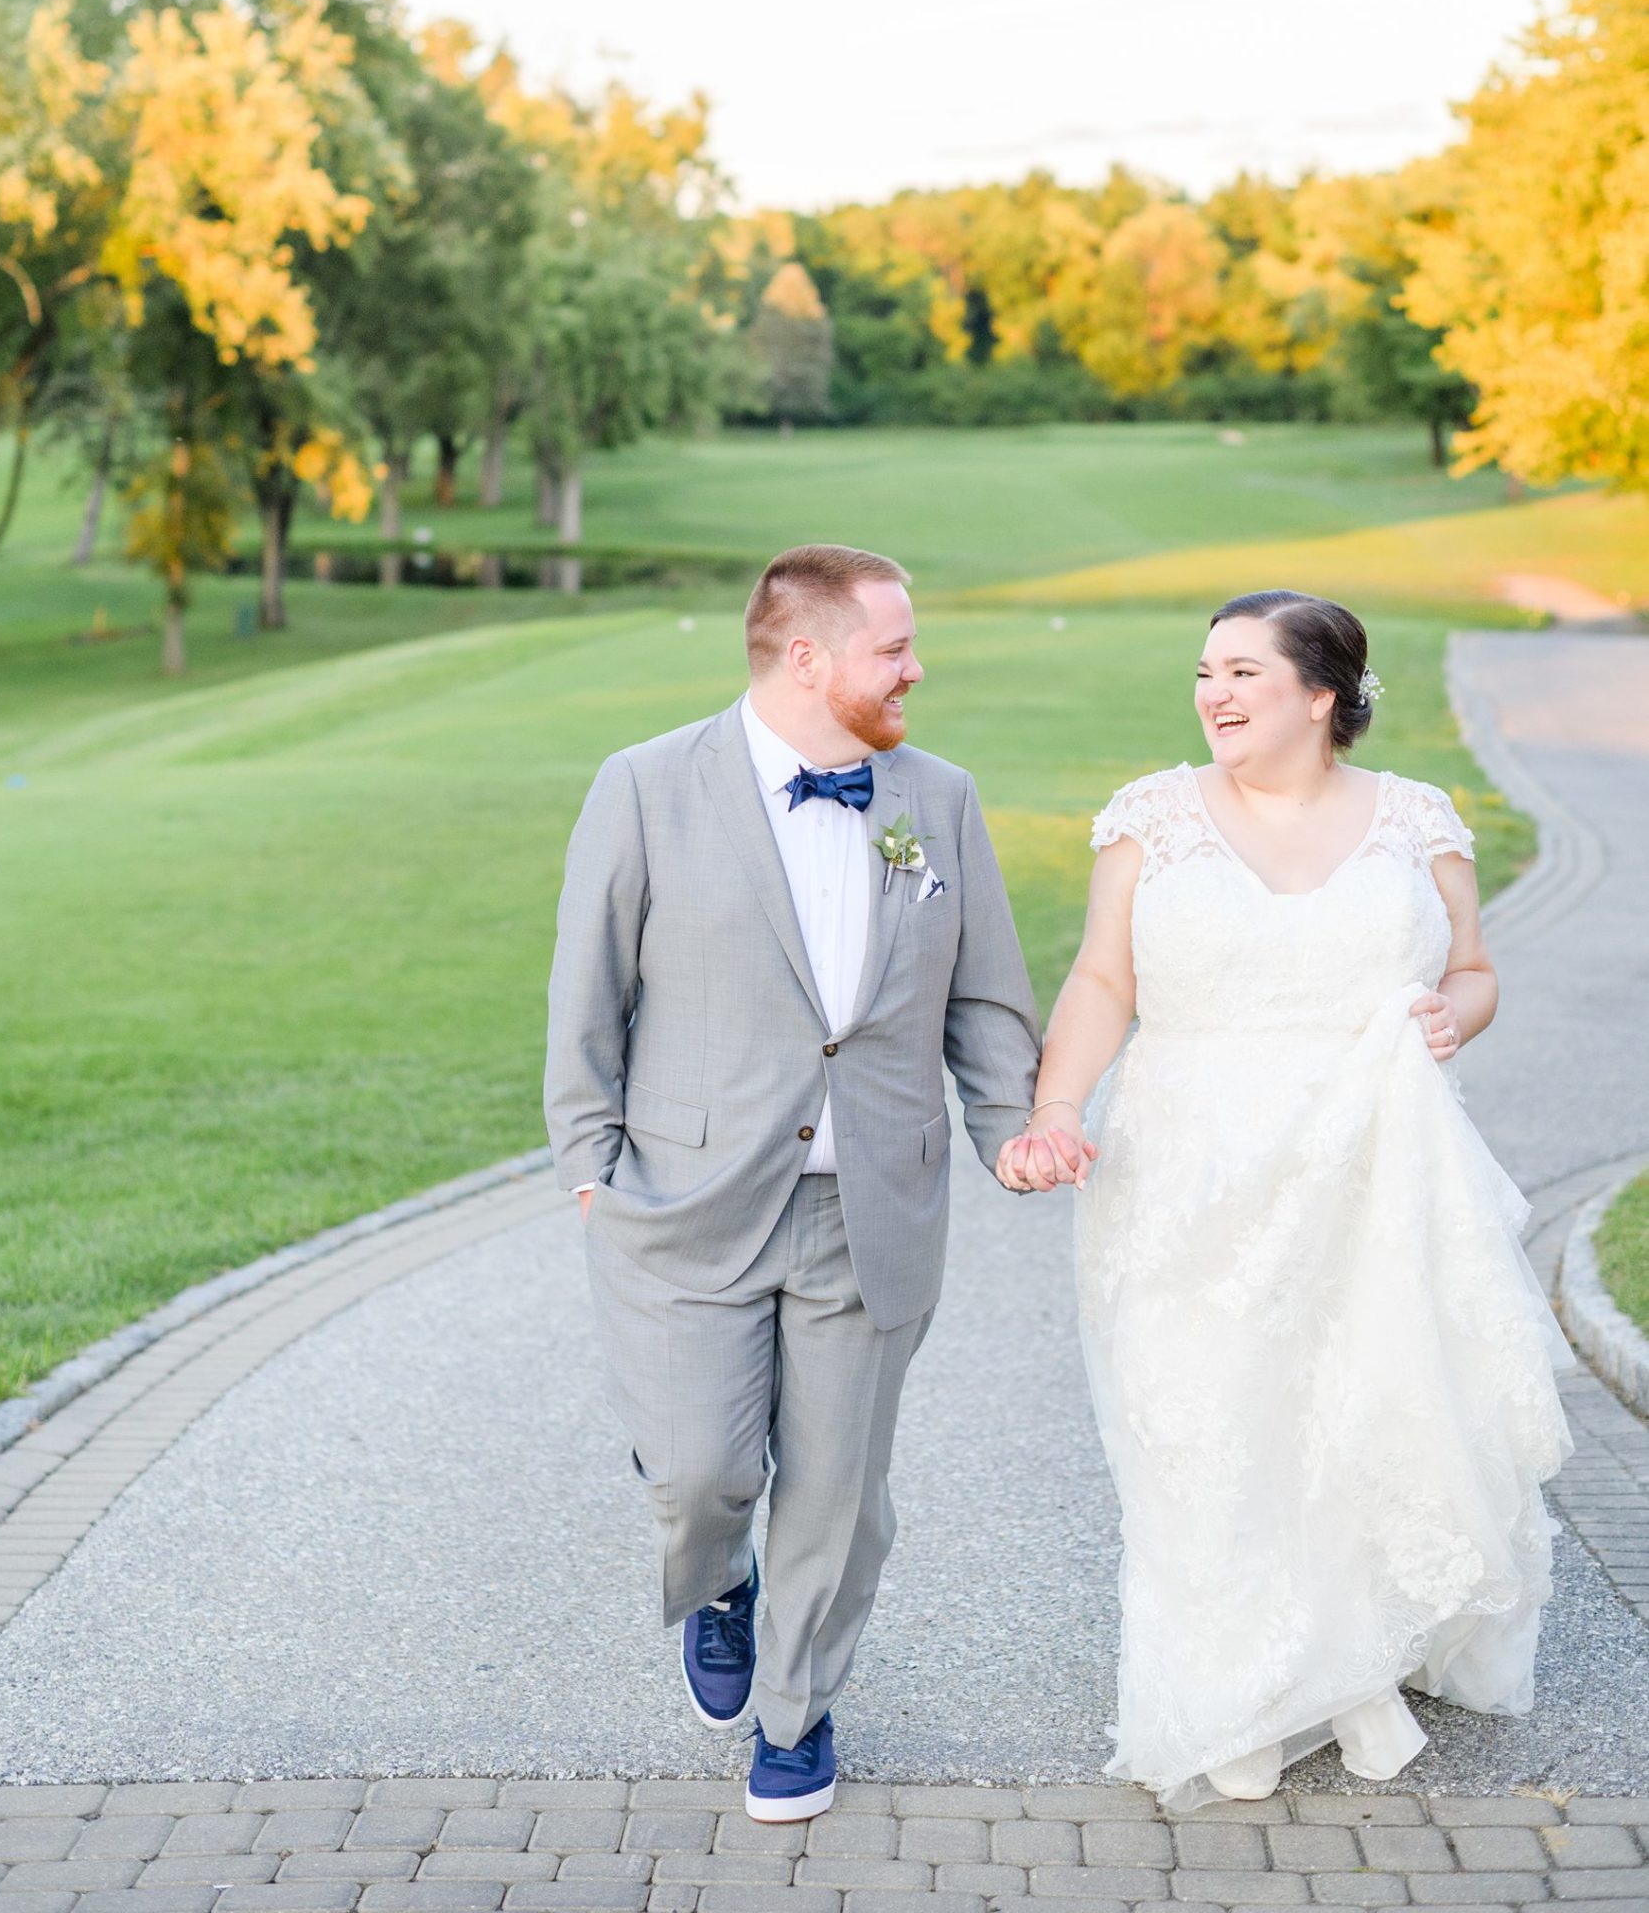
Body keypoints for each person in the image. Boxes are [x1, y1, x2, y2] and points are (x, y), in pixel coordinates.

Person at [997, 588, 1573, 1811]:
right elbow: (1103, 977)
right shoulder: (1148, 819)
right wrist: (1056, 1109)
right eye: (1203, 671)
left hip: (1371, 1155)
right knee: (1200, 1418)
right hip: (1187, 1163)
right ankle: (1226, 1685)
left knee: (1354, 1400)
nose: (1212, 693)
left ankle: (1346, 1660)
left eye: (1243, 672)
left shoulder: (1417, 820)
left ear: (1320, 695)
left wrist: (1445, 1013)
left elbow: (1471, 973)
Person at [546, 543, 1042, 1822]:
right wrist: (589, 1166)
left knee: (834, 1490)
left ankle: (795, 1714)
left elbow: (982, 992)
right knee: (701, 1470)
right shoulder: (647, 786)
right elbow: (585, 991)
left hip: (868, 1206)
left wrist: (1007, 1129)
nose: (916, 667)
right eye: (894, 647)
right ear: (805, 655)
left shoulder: (937, 798)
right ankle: (716, 1583)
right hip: (681, 1197)